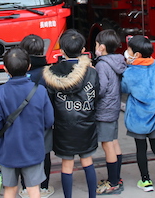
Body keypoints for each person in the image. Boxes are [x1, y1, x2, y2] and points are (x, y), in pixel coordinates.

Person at [0, 48, 54, 198]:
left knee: (9, 190)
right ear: (29, 66)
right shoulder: (40, 91)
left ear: (5, 69)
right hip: (33, 149)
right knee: (33, 190)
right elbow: (49, 121)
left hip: (8, 152)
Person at [42, 29, 100, 198]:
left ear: (61, 51)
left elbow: (50, 103)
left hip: (63, 126)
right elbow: (97, 95)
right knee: (87, 162)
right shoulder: (91, 72)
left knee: (66, 165)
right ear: (83, 50)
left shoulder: (52, 73)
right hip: (86, 125)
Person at [121, 35, 155, 193]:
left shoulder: (130, 72)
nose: (127, 52)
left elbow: (124, 89)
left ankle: (146, 181)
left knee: (141, 149)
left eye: (129, 49)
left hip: (137, 118)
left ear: (136, 54)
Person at [19, 34, 54, 198]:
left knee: (24, 154)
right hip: (42, 121)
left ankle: (26, 187)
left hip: (21, 122)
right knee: (44, 153)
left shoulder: (18, 71)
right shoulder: (48, 73)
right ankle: (44, 187)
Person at [92, 30, 126, 195]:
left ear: (102, 47)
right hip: (113, 107)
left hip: (104, 109)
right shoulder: (117, 60)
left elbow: (101, 88)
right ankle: (116, 178)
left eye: (97, 44)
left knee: (107, 145)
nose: (95, 47)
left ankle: (113, 183)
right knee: (113, 142)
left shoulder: (101, 64)